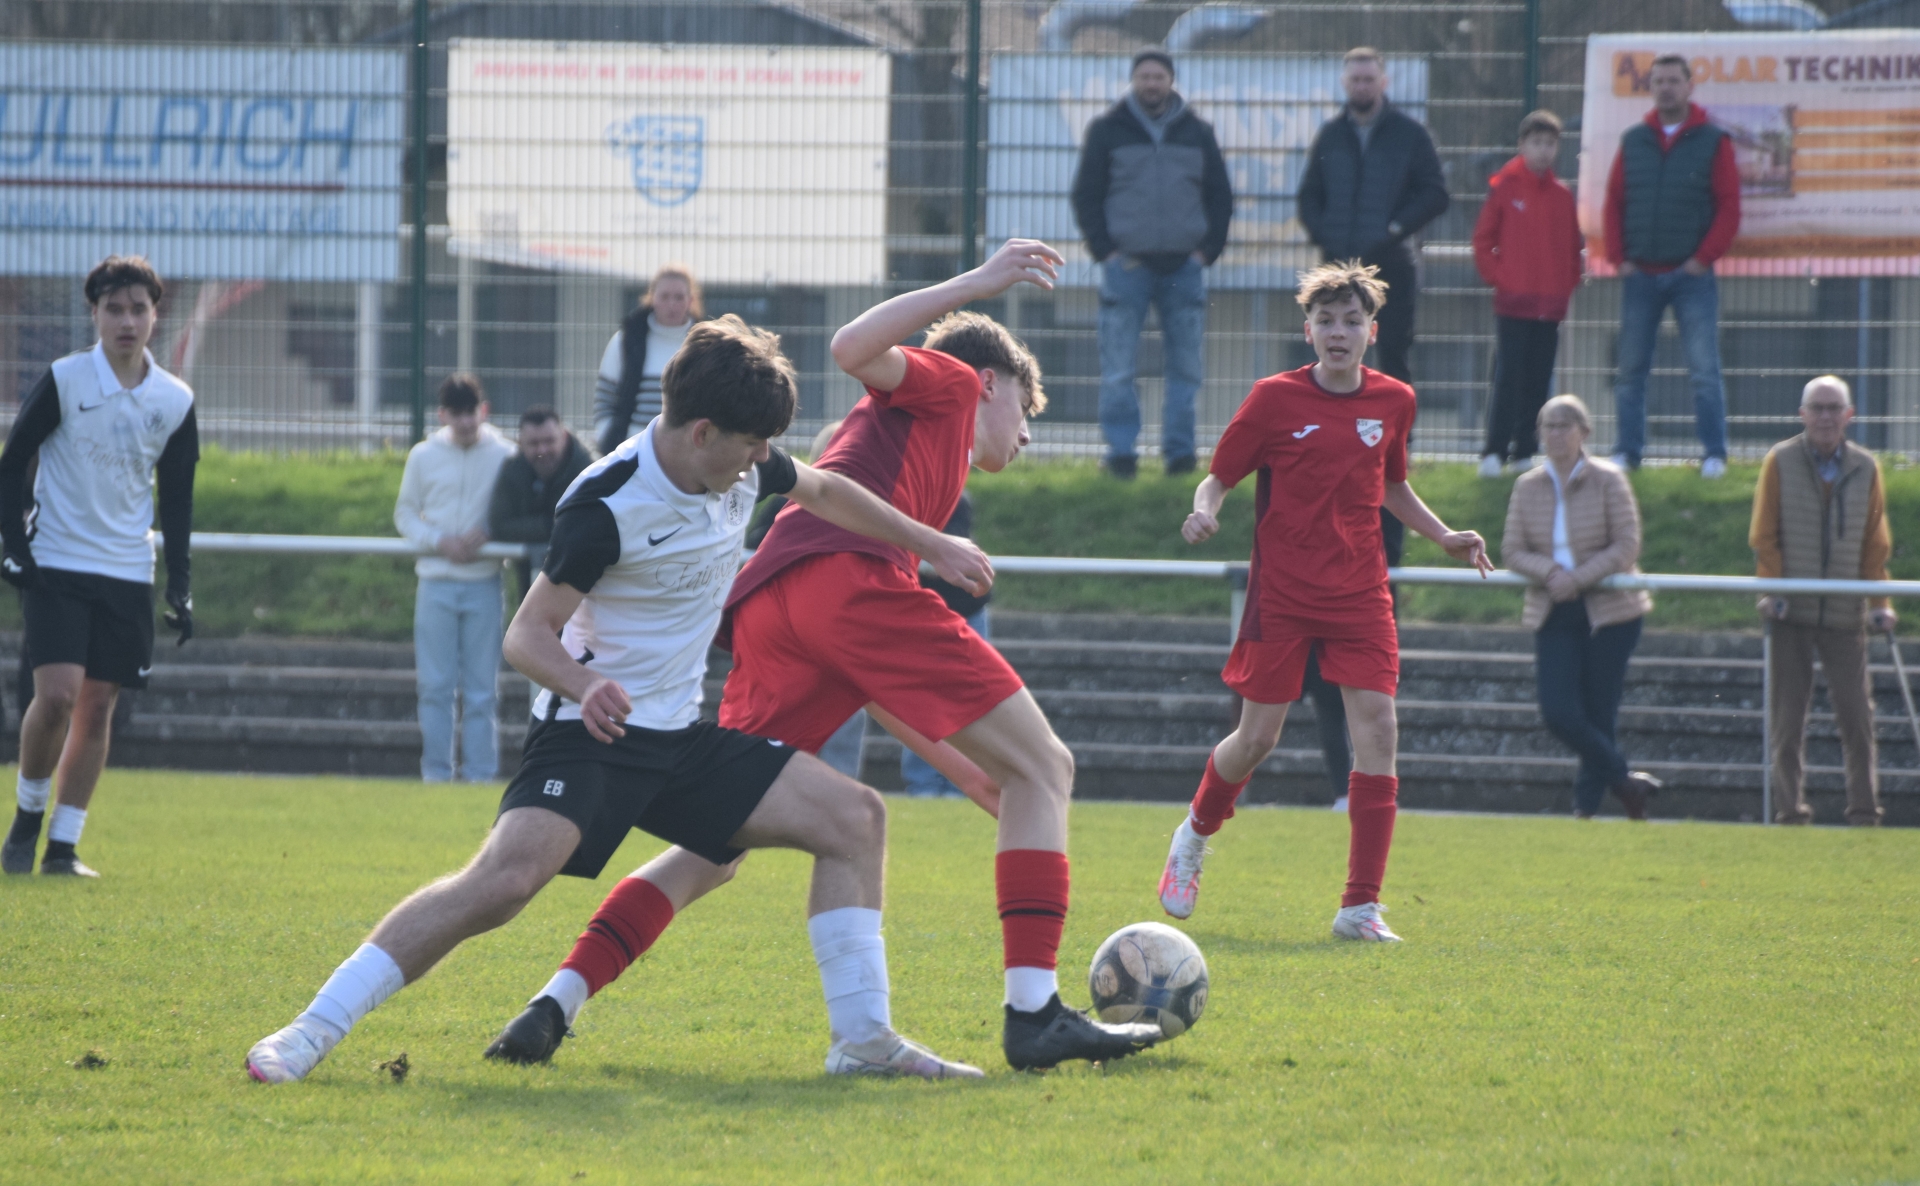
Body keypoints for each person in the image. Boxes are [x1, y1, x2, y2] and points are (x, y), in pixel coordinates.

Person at [247, 316, 1000, 1084]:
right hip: (590, 734)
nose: (763, 463)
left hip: (679, 739)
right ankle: (308, 1032)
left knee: (856, 818)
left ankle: (865, 1043)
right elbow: (526, 634)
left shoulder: (744, 464)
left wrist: (928, 542)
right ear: (703, 432)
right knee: (502, 885)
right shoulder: (605, 504)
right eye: (751, 444)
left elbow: (830, 489)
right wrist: (583, 683)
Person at [489, 240, 1161, 1073]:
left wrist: (975, 773)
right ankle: (1034, 1014)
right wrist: (980, 284)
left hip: (779, 605)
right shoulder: (951, 385)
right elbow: (852, 347)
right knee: (1049, 764)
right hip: (848, 582)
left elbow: (878, 686)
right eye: (1028, 406)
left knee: (716, 845)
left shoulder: (913, 444)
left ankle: (557, 999)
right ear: (990, 381)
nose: (1027, 432)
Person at [1157, 260, 1491, 942]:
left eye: (1352, 320)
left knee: (1379, 731)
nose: (1339, 332)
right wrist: (1204, 511)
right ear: (1308, 331)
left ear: (1372, 330)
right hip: (1282, 590)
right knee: (1256, 740)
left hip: (1361, 590)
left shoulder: (1395, 400)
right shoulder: (1273, 399)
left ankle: (1359, 908)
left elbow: (1392, 484)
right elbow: (1219, 478)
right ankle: (1193, 834)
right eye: (1326, 320)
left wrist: (1443, 534)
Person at [0, 255, 198, 879]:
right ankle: (26, 821)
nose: (127, 321)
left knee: (98, 705)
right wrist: (12, 544)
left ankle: (64, 845)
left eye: (138, 308)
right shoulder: (66, 379)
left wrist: (182, 583)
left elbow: (178, 497)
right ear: (95, 314)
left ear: (154, 316)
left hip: (126, 570)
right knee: (56, 696)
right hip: (57, 560)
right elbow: (12, 463)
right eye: (114, 308)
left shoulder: (174, 399)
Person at [1297, 46, 1449, 579]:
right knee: (1334, 356)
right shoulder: (1331, 136)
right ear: (1346, 82)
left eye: (1369, 76)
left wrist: (1389, 232)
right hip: (1336, 268)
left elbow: (1435, 193)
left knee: (1395, 357)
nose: (1361, 85)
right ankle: (1330, 429)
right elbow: (1308, 197)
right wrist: (1328, 237)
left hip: (1393, 267)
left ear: (1383, 80)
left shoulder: (1409, 134)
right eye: (1354, 77)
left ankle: (1395, 445)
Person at [1070, 47, 1233, 479]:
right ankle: (1121, 455)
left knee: (1186, 368)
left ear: (1171, 81)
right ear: (1133, 81)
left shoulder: (1197, 132)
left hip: (1185, 267)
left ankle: (1179, 456)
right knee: (1119, 367)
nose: (1151, 84)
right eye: (1144, 76)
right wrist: (1106, 251)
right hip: (1127, 269)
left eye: (1158, 76)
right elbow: (1086, 195)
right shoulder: (1107, 130)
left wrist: (1206, 252)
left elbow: (1220, 196)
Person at [1499, 395, 1660, 819]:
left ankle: (1585, 809)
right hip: (1554, 608)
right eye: (1548, 425)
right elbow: (1512, 550)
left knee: (1600, 711)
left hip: (1612, 610)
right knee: (1558, 711)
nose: (1555, 434)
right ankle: (1626, 781)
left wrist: (1579, 577)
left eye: (1564, 425)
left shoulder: (1610, 478)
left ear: (1584, 433)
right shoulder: (1527, 484)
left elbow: (1627, 544)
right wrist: (1551, 573)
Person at [1751, 375, 1894, 826]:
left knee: (1857, 718)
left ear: (1849, 415)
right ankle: (1790, 811)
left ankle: (1864, 811)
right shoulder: (1780, 460)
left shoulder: (1866, 467)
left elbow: (1875, 543)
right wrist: (1771, 589)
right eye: (1818, 407)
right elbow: (1764, 534)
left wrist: (1879, 601)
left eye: (1835, 408)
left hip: (1844, 615)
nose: (1826, 417)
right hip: (1792, 612)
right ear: (1803, 414)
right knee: (1787, 721)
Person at [1602, 53, 1739, 477]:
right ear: (1651, 87)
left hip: (1690, 276)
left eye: (1673, 80)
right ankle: (1627, 452)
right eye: (1658, 81)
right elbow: (1614, 202)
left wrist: (1702, 260)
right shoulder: (1634, 139)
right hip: (1640, 274)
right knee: (1630, 372)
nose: (1665, 87)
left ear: (1688, 86)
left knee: (1703, 370)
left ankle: (1714, 454)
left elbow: (1729, 207)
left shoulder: (1713, 140)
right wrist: (1618, 258)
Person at [394, 374, 515, 783]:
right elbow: (405, 514)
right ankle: (436, 777)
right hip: (435, 582)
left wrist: (494, 531)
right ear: (443, 415)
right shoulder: (423, 456)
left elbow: (515, 508)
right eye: (457, 414)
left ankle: (481, 778)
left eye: (473, 412)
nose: (466, 422)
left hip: (484, 582)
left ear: (485, 410)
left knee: (482, 690)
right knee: (434, 687)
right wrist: (438, 540)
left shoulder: (504, 454)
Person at [1474, 111, 1584, 478]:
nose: (1543, 150)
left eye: (1550, 143)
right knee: (1507, 377)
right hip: (1513, 302)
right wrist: (1500, 277)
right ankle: (1493, 450)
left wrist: (1565, 284)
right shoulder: (1505, 186)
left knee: (1540, 378)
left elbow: (1572, 248)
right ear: (1522, 146)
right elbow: (1483, 239)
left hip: (1549, 306)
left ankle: (1525, 450)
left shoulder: (1562, 195)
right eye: (1536, 142)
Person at [594, 264, 700, 457]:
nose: (672, 305)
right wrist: (609, 441)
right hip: (633, 450)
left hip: (688, 453)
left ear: (690, 301)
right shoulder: (625, 341)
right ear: (652, 298)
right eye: (665, 296)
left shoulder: (703, 344)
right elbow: (604, 398)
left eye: (679, 297)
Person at [489, 405, 594, 597]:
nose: (542, 450)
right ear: (520, 442)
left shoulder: (589, 470)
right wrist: (550, 524)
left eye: (549, 441)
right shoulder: (513, 468)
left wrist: (534, 526)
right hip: (529, 580)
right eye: (534, 443)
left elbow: (588, 525)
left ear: (564, 436)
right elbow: (498, 525)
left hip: (582, 582)